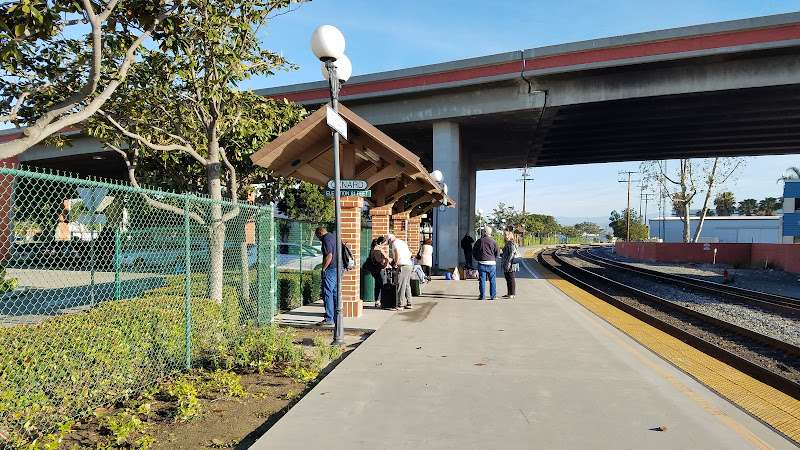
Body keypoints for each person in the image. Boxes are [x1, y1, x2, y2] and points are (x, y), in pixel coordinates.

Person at [315, 226, 336, 326]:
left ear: (320, 233)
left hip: (331, 269)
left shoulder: (326, 239)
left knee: (327, 293)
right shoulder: (333, 237)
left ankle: (329, 318)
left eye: (317, 236)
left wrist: (324, 268)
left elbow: (329, 255)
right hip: (339, 269)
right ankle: (336, 317)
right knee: (335, 293)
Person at [472, 226, 500, 300]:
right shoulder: (494, 241)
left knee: (482, 280)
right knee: (492, 280)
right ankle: (493, 296)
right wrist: (494, 259)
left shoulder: (479, 241)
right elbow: (497, 253)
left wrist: (477, 258)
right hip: (492, 264)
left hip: (482, 263)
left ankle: (482, 296)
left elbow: (474, 251)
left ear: (484, 232)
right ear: (490, 233)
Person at [387, 233, 413, 310]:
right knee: (407, 284)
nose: (388, 244)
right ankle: (409, 303)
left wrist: (395, 263)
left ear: (390, 240)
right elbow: (410, 253)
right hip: (409, 264)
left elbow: (397, 253)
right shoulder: (402, 242)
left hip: (402, 265)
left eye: (388, 242)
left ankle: (399, 304)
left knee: (400, 285)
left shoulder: (394, 243)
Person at [367, 237, 390, 302]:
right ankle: (382, 300)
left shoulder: (375, 249)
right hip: (379, 270)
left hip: (376, 270)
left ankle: (377, 300)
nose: (384, 246)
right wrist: (386, 260)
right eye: (384, 244)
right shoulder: (377, 250)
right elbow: (379, 260)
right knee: (383, 285)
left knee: (378, 285)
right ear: (380, 243)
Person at [501, 231, 519, 299]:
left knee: (511, 278)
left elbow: (512, 253)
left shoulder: (511, 243)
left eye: (506, 235)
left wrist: (508, 263)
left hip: (510, 263)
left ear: (509, 235)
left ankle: (512, 293)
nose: (504, 236)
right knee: (507, 278)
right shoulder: (507, 243)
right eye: (504, 235)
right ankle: (509, 293)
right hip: (507, 262)